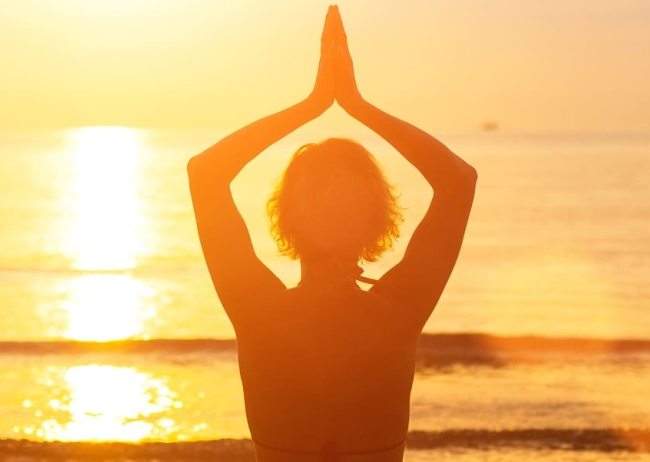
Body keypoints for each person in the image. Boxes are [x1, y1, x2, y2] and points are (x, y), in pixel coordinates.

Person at [187, 6, 478, 462]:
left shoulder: (399, 310)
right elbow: (205, 173)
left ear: (373, 218)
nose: (331, 206)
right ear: (288, 214)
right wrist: (313, 104)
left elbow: (459, 181)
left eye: (348, 197)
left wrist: (358, 106)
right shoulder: (256, 309)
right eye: (317, 193)